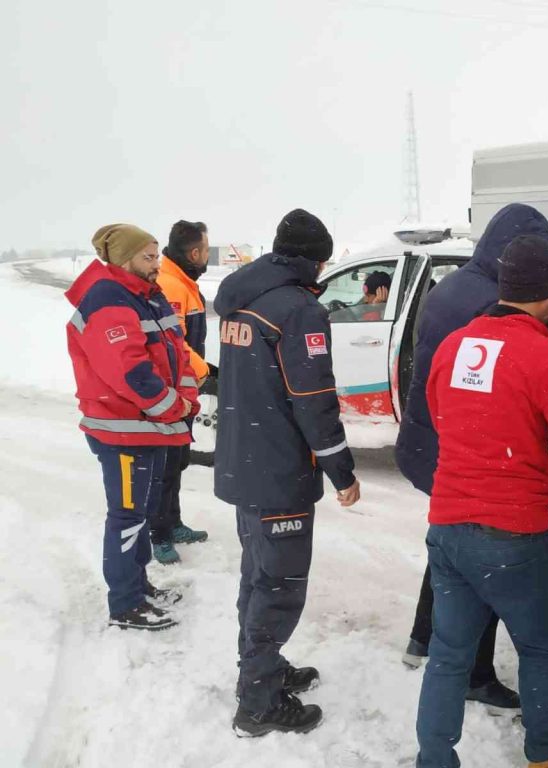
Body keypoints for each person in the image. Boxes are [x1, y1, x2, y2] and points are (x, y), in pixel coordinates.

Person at [395, 202, 548, 713]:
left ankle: (424, 638)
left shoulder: (455, 286)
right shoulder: (487, 301)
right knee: (483, 562)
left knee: (453, 551)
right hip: (462, 452)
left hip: (432, 438)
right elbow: (511, 373)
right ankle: (476, 675)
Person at [213, 208, 362, 737]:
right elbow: (314, 401)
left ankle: (262, 670)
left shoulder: (242, 299)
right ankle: (257, 705)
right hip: (279, 473)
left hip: (245, 464)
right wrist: (342, 471)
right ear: (312, 260)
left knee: (257, 578)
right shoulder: (298, 310)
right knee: (278, 587)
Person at [65, 224, 200, 631]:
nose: (157, 263)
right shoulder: (108, 299)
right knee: (127, 517)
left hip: (151, 427)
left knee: (139, 514)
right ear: (124, 260)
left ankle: (139, 586)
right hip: (122, 430)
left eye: (157, 254)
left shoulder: (149, 296)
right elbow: (131, 372)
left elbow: (179, 351)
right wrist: (173, 406)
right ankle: (125, 604)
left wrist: (186, 398)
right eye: (148, 256)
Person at [150, 220, 212, 564]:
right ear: (194, 252)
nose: (206, 255)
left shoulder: (183, 283)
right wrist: (204, 372)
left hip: (184, 389)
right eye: (205, 248)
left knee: (177, 461)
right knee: (166, 464)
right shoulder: (171, 286)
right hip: (172, 392)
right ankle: (158, 534)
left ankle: (171, 523)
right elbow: (173, 343)